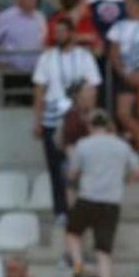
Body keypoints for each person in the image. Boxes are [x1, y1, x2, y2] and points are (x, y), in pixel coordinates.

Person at [31, 18, 102, 224]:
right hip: (53, 117)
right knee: (56, 166)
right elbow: (39, 90)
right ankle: (61, 210)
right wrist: (38, 119)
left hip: (77, 116)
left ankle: (83, 207)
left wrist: (90, 117)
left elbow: (93, 87)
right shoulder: (47, 58)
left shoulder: (83, 57)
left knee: (81, 166)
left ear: (71, 33)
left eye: (63, 31)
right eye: (57, 32)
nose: (59, 36)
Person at [65, 111, 139, 277]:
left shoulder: (83, 145)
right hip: (111, 201)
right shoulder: (121, 146)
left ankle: (78, 265)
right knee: (103, 250)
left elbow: (72, 173)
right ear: (108, 126)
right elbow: (137, 171)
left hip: (88, 197)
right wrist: (124, 180)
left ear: (90, 127)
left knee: (73, 233)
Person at [106, 0, 139, 149]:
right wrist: (125, 73)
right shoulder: (118, 27)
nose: (129, 8)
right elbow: (114, 55)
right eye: (127, 5)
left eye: (132, 4)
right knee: (123, 113)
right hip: (124, 76)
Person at [0, 0, 47, 105]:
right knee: (14, 106)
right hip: (13, 73)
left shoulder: (40, 17)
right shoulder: (6, 17)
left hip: (36, 73)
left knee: (34, 108)